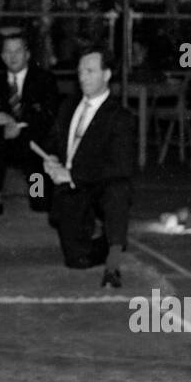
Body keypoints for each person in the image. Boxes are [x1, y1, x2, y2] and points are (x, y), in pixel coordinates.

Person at [42, 49, 138, 288]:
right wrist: (51, 159)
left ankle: (113, 263)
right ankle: (104, 242)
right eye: (80, 72)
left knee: (119, 188)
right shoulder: (68, 106)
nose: (83, 77)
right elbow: (52, 141)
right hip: (72, 187)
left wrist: (73, 174)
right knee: (76, 259)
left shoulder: (120, 116)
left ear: (106, 75)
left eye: (90, 71)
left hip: (100, 185)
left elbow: (121, 166)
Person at [0, 33, 60, 220]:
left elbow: (49, 116)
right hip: (5, 141)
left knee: (40, 204)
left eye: (18, 51)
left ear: (27, 54)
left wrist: (20, 126)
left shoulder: (44, 79)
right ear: (2, 56)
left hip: (34, 142)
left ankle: (37, 194)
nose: (12, 56)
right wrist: (1, 124)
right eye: (8, 52)